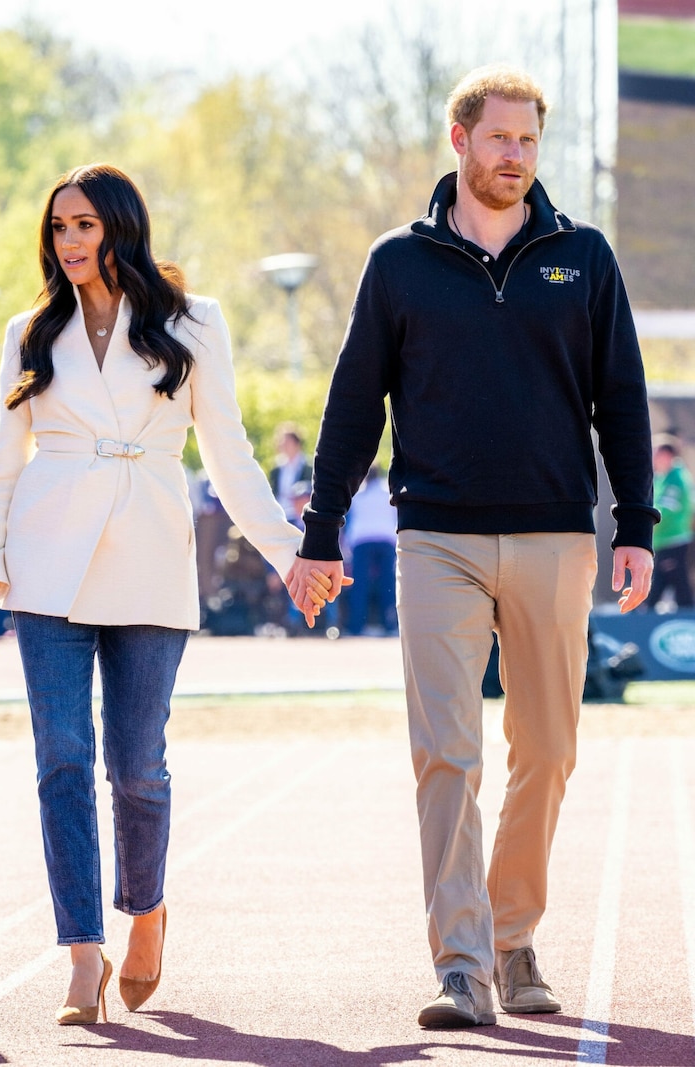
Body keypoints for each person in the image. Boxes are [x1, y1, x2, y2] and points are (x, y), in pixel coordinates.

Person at [286, 65, 658, 1029]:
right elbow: (352, 400)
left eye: (530, 142)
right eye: (500, 140)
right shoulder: (398, 262)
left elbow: (619, 397)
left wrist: (638, 529)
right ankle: (461, 962)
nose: (516, 157)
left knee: (548, 748)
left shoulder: (585, 254)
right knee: (445, 752)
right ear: (460, 141)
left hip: (555, 532)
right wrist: (321, 530)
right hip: (436, 537)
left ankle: (512, 934)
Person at [0, 163, 327, 1026]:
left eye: (84, 225)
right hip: (45, 564)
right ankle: (82, 951)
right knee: (60, 761)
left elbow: (229, 454)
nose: (70, 242)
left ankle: (147, 907)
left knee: (137, 768)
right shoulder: (28, 330)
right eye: (59, 229)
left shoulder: (194, 322)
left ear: (121, 226)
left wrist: (291, 555)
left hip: (151, 564)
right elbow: (3, 467)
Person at [344, 464, 398, 636]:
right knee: (387, 583)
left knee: (359, 584)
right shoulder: (388, 491)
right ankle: (388, 624)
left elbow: (350, 522)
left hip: (362, 539)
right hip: (386, 539)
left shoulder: (357, 494)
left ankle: (356, 625)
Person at [646, 434, 694, 609]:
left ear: (666, 455)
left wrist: (643, 520)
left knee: (681, 594)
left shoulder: (677, 479)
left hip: (674, 543)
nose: (652, 458)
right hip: (663, 543)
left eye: (655, 453)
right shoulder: (662, 478)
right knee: (661, 591)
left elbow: (665, 512)